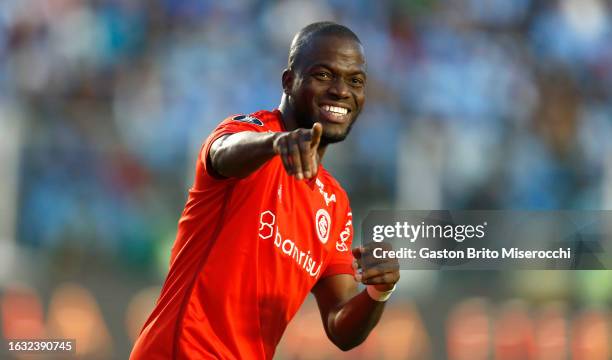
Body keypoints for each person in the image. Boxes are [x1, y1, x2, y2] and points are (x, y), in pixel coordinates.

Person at [130, 21, 400, 359]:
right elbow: (221, 153)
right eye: (324, 75)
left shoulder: (334, 204)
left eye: (354, 80)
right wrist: (275, 144)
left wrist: (378, 292)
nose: (341, 91)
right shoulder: (252, 134)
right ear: (288, 81)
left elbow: (340, 327)